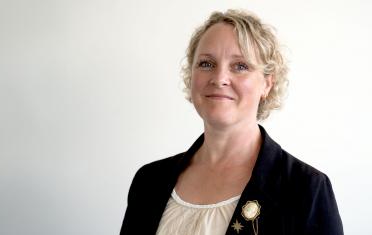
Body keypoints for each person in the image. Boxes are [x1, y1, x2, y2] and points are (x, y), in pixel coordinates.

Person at [120, 9, 343, 235]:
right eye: (207, 64)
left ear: (267, 84)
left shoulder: (305, 190)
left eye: (240, 66)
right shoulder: (148, 181)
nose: (219, 79)